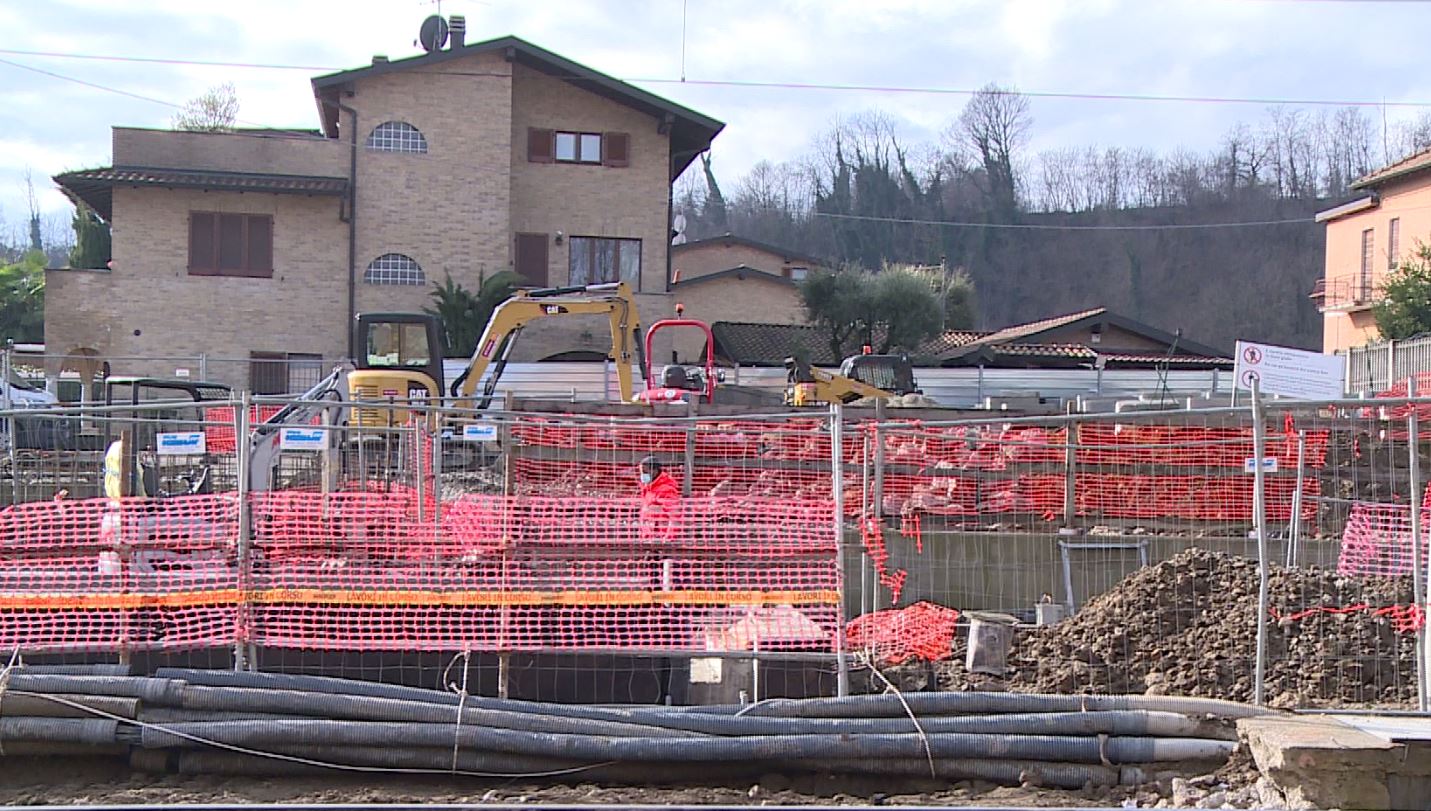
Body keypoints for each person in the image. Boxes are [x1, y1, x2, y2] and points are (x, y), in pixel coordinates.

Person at [638, 456, 680, 544]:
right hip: (649, 538)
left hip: (660, 539)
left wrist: (668, 539)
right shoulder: (647, 488)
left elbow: (674, 517)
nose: (642, 475)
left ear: (654, 471)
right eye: (641, 473)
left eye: (645, 472)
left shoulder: (667, 490)